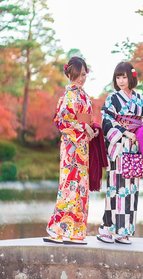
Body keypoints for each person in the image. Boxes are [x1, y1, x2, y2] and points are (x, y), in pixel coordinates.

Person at [97, 61, 143, 244]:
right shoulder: (112, 99)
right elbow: (106, 121)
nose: (121, 81)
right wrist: (124, 131)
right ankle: (106, 229)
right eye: (118, 77)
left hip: (135, 147)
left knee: (132, 189)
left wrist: (140, 131)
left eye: (124, 77)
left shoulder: (140, 98)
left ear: (131, 77)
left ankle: (124, 231)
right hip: (119, 148)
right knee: (116, 187)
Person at [44, 56, 98, 245]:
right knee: (68, 187)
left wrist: (92, 128)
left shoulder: (85, 96)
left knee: (81, 189)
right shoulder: (67, 96)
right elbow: (60, 121)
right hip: (70, 147)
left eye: (83, 74)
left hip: (82, 148)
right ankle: (59, 231)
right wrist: (84, 128)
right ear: (69, 74)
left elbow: (88, 119)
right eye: (77, 75)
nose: (81, 78)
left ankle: (76, 233)